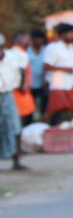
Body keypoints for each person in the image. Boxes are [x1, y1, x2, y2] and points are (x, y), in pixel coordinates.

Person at [0, 32, 30, 170]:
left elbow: (21, 70)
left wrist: (22, 85)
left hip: (8, 94)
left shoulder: (12, 57)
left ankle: (16, 160)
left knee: (15, 126)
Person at [43, 23, 73, 124]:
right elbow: (46, 66)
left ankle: (72, 130)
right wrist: (65, 69)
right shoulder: (53, 48)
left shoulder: (71, 47)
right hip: (58, 84)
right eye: (71, 33)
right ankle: (39, 127)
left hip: (71, 83)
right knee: (53, 109)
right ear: (63, 35)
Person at [27, 29, 47, 121]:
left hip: (43, 84)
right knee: (30, 106)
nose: (38, 41)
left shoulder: (46, 50)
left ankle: (43, 123)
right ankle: (29, 124)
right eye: (35, 39)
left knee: (44, 105)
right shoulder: (27, 51)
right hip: (31, 84)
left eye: (40, 39)